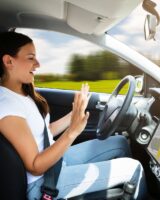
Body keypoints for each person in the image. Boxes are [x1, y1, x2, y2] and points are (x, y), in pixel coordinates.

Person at [0, 31, 147, 200]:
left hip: (56, 163)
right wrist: (72, 131)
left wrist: (73, 115)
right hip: (43, 183)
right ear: (9, 61)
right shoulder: (6, 105)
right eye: (31, 58)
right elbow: (35, 166)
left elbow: (42, 132)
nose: (38, 64)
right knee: (134, 169)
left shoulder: (21, 94)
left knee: (120, 142)